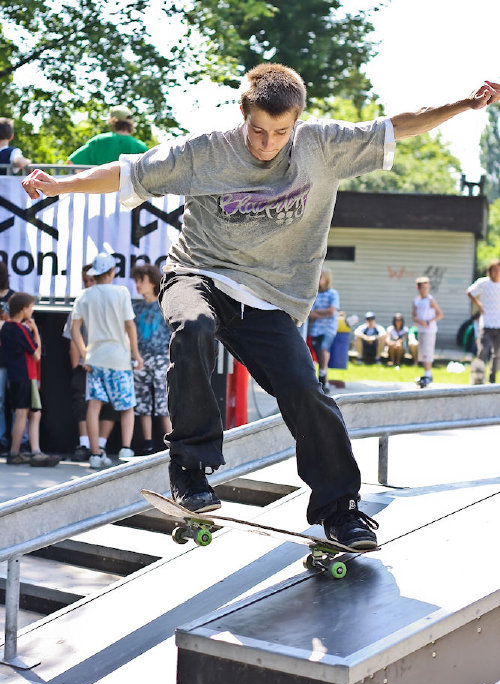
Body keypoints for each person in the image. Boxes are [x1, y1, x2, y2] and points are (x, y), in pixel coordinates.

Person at [20, 67, 500, 549]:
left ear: (297, 122)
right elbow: (128, 172)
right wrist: (61, 187)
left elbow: (399, 124)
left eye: (280, 133)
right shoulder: (204, 152)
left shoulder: (323, 144)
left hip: (271, 298)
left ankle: (340, 510)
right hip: (199, 274)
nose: (267, 144)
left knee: (305, 391)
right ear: (243, 113)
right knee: (193, 328)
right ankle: (190, 469)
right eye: (258, 131)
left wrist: (463, 104)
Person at [69, 252, 143, 468]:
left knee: (93, 406)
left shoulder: (85, 295)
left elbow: (74, 328)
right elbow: (130, 325)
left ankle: (94, 454)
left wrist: (84, 353)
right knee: (127, 406)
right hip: (119, 359)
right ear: (112, 272)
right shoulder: (121, 292)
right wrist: (136, 354)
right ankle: (126, 449)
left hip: (95, 359)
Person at [62, 263, 116, 461]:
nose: (88, 284)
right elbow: (73, 337)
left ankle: (100, 446)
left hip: (110, 362)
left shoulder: (113, 301)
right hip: (86, 364)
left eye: (91, 279)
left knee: (110, 404)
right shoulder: (81, 302)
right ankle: (85, 445)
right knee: (83, 403)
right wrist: (79, 365)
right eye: (85, 280)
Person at [0, 293, 59, 466]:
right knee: (21, 414)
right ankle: (15, 452)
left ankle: (35, 451)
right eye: (31, 307)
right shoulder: (20, 329)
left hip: (16, 376)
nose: (32, 311)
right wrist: (35, 332)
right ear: (24, 309)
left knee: (34, 413)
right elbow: (36, 354)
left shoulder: (6, 328)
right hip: (26, 375)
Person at [131, 263, 172, 454]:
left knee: (163, 402)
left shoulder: (164, 304)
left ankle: (171, 442)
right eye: (136, 281)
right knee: (143, 402)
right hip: (140, 358)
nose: (138, 285)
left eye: (141, 281)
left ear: (152, 281)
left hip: (161, 357)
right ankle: (147, 443)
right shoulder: (134, 306)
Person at [67, 105, 148, 166]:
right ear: (131, 123)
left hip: (100, 187)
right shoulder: (141, 147)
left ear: (112, 121)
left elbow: (71, 162)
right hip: (130, 188)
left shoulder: (98, 141)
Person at [466, 259, 500, 384]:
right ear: (490, 271)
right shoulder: (483, 283)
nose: (496, 272)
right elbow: (469, 292)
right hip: (486, 323)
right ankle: (478, 379)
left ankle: (492, 379)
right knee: (482, 351)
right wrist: (479, 305)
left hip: (499, 324)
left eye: (498, 269)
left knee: (497, 354)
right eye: (494, 269)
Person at [308, 269, 339, 394]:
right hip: (316, 330)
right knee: (317, 353)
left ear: (327, 279)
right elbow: (310, 314)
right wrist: (321, 313)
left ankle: (322, 378)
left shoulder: (332, 294)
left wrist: (317, 314)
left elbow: (332, 311)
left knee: (323, 349)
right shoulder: (314, 295)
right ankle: (320, 378)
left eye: (320, 277)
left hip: (328, 329)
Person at [412, 276, 443, 387]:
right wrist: (419, 321)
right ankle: (426, 373)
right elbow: (414, 316)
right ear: (418, 288)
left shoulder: (430, 300)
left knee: (428, 351)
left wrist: (429, 321)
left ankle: (428, 375)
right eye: (422, 287)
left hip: (429, 330)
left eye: (426, 287)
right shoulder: (416, 300)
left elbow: (439, 314)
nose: (425, 290)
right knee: (422, 352)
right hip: (421, 329)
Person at [0, 261, 16, 453]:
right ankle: (2, 438)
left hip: (14, 355)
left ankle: (20, 439)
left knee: (19, 400)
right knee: (0, 400)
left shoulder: (14, 298)